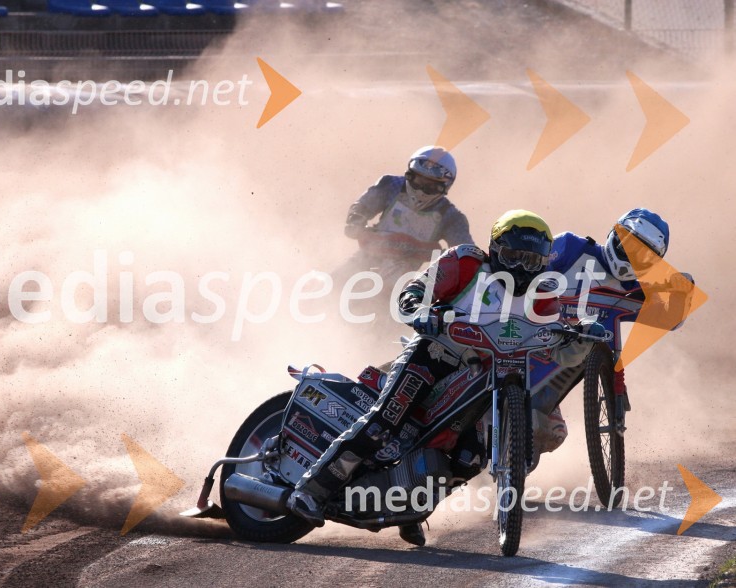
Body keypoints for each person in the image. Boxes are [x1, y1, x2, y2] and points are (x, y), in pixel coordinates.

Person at [288, 210, 603, 546]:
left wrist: (580, 338)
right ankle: (311, 489)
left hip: (487, 375)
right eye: (514, 257)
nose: (522, 269)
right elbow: (415, 290)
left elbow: (555, 345)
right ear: (495, 247)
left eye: (532, 261)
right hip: (435, 354)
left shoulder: (543, 293)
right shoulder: (465, 262)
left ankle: (405, 509)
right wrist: (420, 309)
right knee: (384, 423)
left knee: (470, 460)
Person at [529, 208, 694, 465]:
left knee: (550, 434)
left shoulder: (638, 290)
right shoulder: (570, 246)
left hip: (569, 363)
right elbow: (528, 274)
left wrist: (683, 292)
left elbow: (671, 320)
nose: (631, 257)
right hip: (526, 341)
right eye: (628, 245)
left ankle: (513, 462)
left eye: (643, 256)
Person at [335, 146, 473, 292]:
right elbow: (363, 206)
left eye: (430, 186)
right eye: (418, 181)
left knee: (398, 310)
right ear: (409, 175)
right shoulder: (390, 185)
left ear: (444, 186)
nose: (420, 190)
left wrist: (448, 261)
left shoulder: (451, 217)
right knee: (331, 286)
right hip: (364, 259)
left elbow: (468, 255)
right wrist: (355, 221)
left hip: (405, 282)